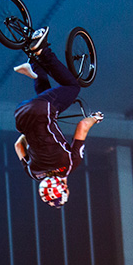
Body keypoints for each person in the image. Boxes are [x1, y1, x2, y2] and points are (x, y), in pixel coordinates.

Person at [12, 27, 103, 208]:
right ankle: (34, 64)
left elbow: (82, 126)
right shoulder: (33, 173)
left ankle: (42, 51)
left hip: (42, 111)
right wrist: (31, 130)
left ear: (64, 187)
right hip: (21, 115)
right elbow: (18, 145)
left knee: (73, 87)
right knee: (46, 99)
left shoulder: (70, 164)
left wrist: (95, 118)